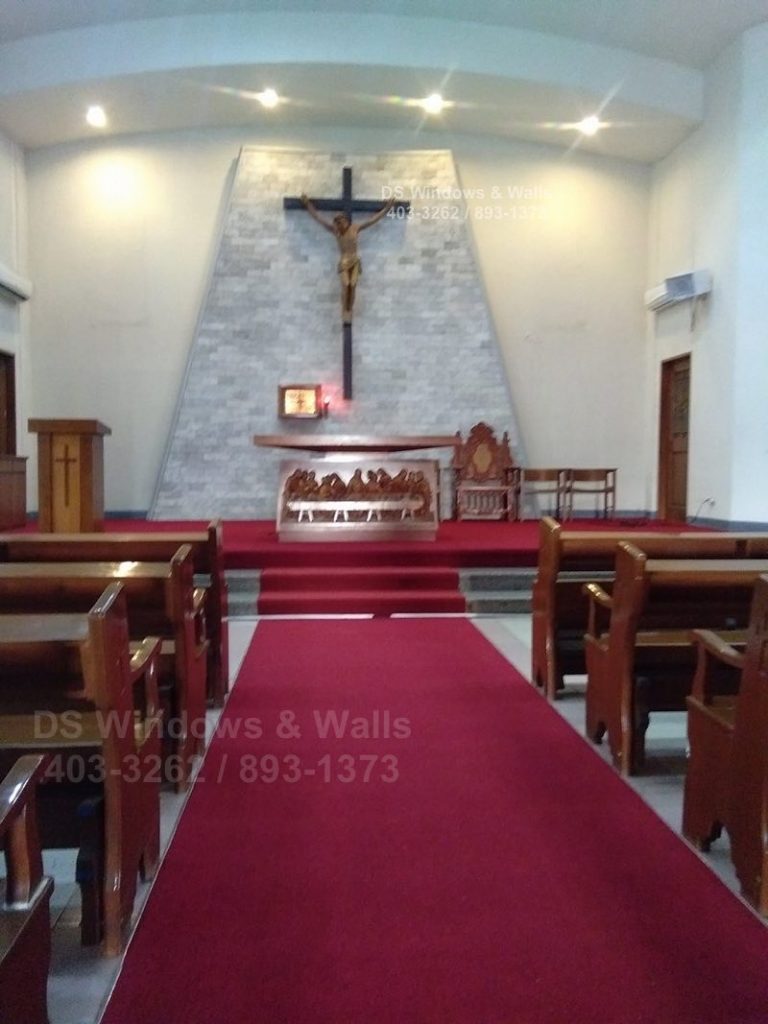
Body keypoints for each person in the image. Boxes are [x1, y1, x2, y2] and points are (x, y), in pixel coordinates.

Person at [300, 193, 396, 323]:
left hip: (354, 261)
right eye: (337, 222)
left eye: (342, 221)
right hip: (344, 262)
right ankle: (345, 308)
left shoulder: (355, 228)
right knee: (346, 284)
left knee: (353, 284)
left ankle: (350, 309)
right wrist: (307, 204)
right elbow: (318, 218)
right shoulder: (336, 231)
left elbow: (373, 220)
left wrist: (387, 208)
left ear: (346, 221)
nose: (340, 225)